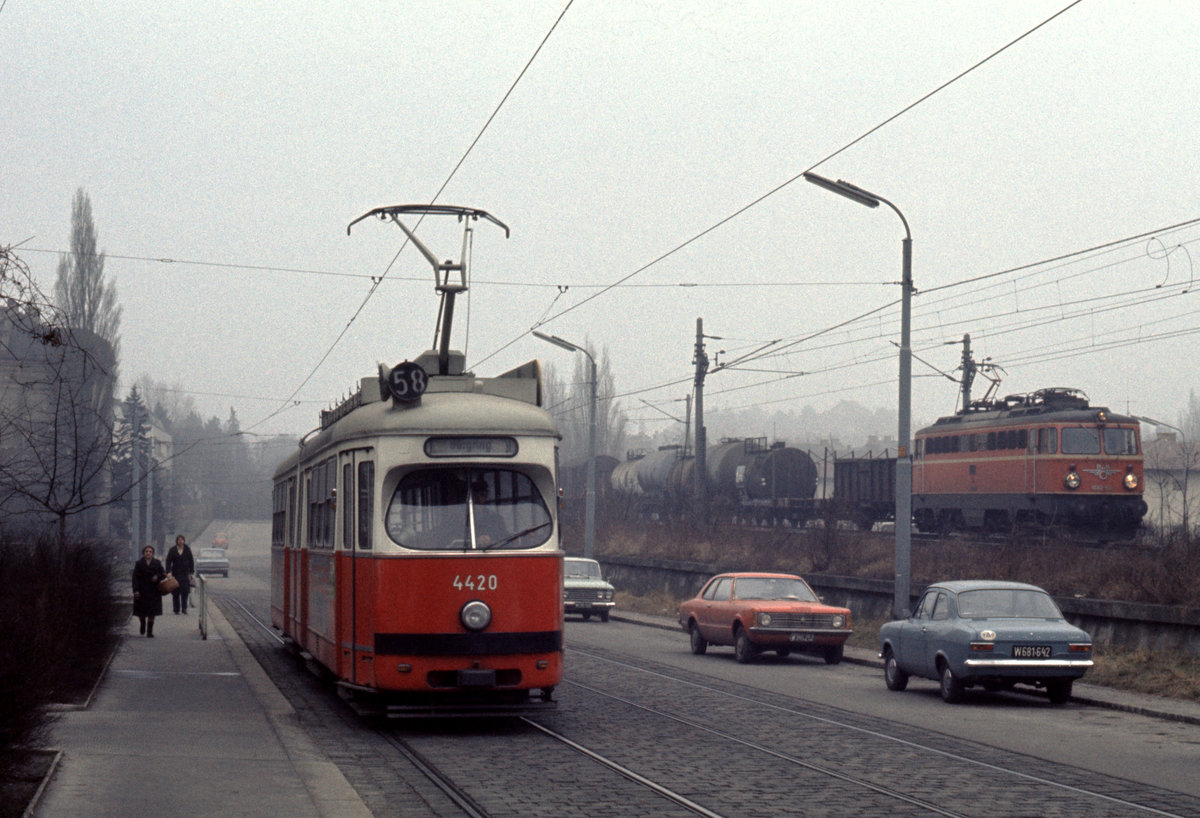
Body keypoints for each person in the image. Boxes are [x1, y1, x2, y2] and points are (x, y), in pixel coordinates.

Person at [132, 545, 166, 637]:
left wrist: (157, 577)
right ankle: (142, 623)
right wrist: (136, 590)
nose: (148, 553)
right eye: (146, 551)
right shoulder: (139, 563)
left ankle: (150, 631)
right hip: (142, 590)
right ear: (143, 553)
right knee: (141, 612)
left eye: (150, 551)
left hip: (154, 591)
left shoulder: (157, 563)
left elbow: (163, 574)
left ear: (152, 553)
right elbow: (135, 578)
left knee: (152, 612)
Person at [470, 480, 509, 547]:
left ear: (486, 495)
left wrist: (491, 540)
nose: (479, 498)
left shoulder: (496, 518)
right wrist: (476, 540)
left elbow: (504, 538)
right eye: (475, 495)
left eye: (482, 495)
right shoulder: (462, 518)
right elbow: (454, 538)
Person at [164, 534, 195, 614]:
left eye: (182, 540)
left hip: (185, 574)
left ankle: (184, 608)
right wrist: (168, 572)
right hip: (176, 573)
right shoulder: (172, 550)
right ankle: (176, 609)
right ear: (177, 541)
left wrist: (191, 572)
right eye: (179, 540)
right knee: (175, 592)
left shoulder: (187, 549)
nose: (180, 541)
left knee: (185, 592)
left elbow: (191, 561)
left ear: (184, 541)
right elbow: (168, 561)